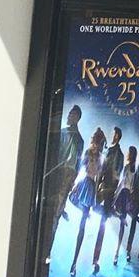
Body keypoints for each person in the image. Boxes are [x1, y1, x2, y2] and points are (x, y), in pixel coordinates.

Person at [41, 104, 83, 266]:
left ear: (77, 117)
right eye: (69, 114)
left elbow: (76, 164)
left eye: (72, 114)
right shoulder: (63, 133)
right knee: (52, 214)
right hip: (55, 174)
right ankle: (45, 250)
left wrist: (71, 182)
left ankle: (47, 252)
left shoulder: (77, 139)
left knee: (54, 216)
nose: (68, 116)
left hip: (64, 176)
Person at [68, 128, 106, 277]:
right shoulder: (88, 153)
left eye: (101, 142)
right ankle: (74, 263)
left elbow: (97, 179)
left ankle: (74, 264)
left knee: (82, 225)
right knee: (74, 201)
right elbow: (81, 170)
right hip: (84, 184)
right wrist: (75, 183)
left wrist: (96, 195)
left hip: (91, 188)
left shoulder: (100, 158)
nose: (100, 145)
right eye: (100, 142)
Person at [91, 126, 124, 274]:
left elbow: (117, 175)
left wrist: (109, 191)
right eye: (112, 134)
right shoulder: (109, 149)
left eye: (114, 134)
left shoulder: (119, 154)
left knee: (102, 224)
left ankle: (95, 260)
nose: (112, 136)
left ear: (117, 136)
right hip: (102, 186)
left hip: (109, 190)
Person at [111, 145, 137, 267]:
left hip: (122, 194)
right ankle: (118, 253)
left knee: (115, 213)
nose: (127, 154)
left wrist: (115, 195)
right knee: (121, 225)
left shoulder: (127, 167)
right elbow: (131, 186)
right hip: (127, 195)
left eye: (128, 152)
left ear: (130, 154)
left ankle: (116, 253)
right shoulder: (134, 169)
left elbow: (122, 182)